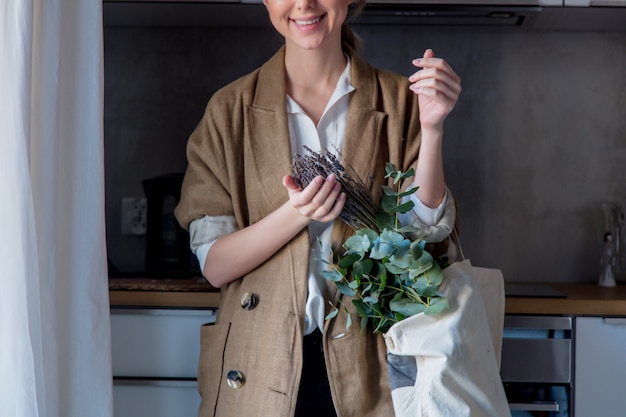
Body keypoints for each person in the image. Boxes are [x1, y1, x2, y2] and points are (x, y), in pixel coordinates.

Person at [174, 0, 462, 414]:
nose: (305, 4)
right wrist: (297, 213)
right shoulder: (228, 110)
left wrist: (432, 128)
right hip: (260, 364)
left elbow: (422, 234)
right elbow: (216, 267)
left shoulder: (402, 100)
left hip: (373, 366)